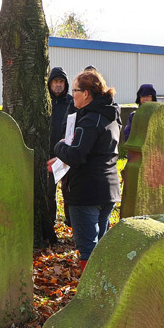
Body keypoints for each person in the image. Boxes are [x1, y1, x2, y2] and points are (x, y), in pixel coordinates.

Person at [49, 69, 121, 273]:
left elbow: (77, 155)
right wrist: (62, 156)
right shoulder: (110, 115)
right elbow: (95, 151)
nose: (73, 95)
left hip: (87, 192)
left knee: (89, 249)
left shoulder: (90, 119)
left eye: (75, 90)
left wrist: (59, 146)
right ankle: (103, 289)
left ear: (87, 94)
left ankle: (91, 294)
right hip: (107, 190)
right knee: (100, 247)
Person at [44, 67, 73, 247]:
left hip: (67, 154)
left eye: (61, 82)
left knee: (69, 191)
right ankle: (50, 224)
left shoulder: (71, 102)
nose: (58, 85)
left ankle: (71, 223)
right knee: (49, 193)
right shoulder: (44, 102)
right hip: (48, 153)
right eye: (55, 82)